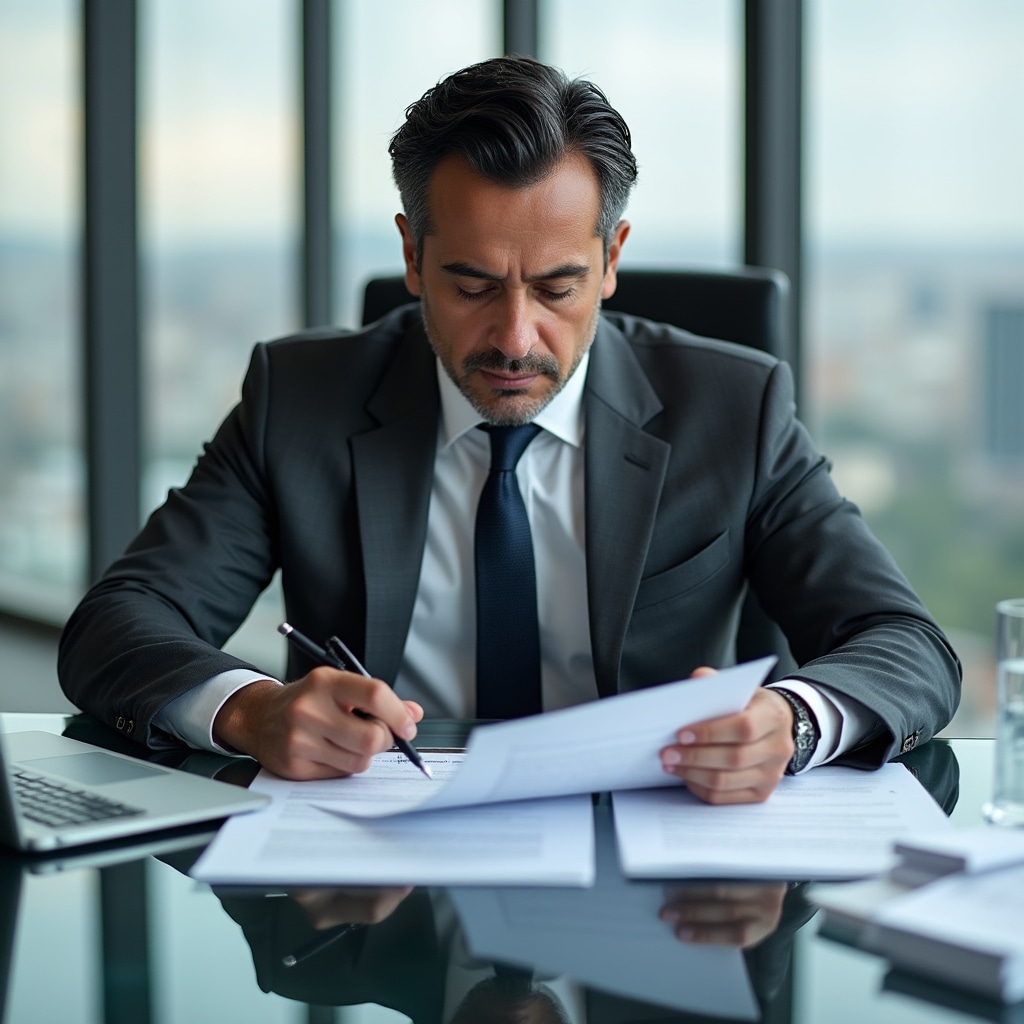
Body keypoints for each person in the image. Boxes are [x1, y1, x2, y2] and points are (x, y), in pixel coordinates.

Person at [58, 55, 961, 805]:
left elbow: (906, 644)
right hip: (378, 874)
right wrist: (252, 710)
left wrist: (791, 722)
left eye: (559, 286)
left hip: (652, 862)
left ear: (612, 261)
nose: (516, 338)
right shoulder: (300, 398)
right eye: (474, 284)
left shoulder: (736, 406)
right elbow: (117, 625)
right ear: (413, 257)